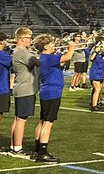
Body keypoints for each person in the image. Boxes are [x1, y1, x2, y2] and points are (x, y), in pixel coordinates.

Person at [33, 33, 79, 162]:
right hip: (52, 92)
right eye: (52, 44)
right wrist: (71, 47)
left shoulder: (45, 57)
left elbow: (63, 63)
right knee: (48, 123)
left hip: (46, 91)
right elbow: (69, 56)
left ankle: (36, 150)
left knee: (42, 121)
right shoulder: (48, 58)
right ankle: (42, 152)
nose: (55, 45)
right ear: (46, 46)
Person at [9, 27, 39, 158]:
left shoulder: (21, 51)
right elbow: (37, 62)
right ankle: (17, 148)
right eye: (28, 38)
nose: (30, 40)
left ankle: (14, 145)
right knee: (21, 119)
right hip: (25, 88)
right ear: (21, 39)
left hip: (22, 87)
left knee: (18, 119)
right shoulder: (21, 52)